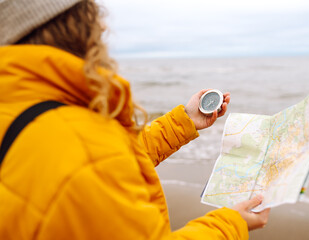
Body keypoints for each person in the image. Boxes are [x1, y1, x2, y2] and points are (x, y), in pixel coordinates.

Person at [0, 0, 270, 239]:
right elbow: (93, 161)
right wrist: (230, 225)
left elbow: (109, 161)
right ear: (82, 31)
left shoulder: (18, 110)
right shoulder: (83, 143)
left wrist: (185, 121)